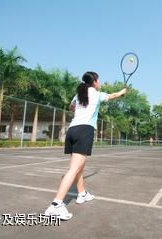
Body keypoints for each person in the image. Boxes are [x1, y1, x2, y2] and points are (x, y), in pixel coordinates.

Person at [44, 71, 127, 220]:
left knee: (79, 168)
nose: (99, 83)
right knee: (73, 169)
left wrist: (81, 109)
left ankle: (81, 194)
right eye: (98, 80)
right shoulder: (97, 94)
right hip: (84, 130)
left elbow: (71, 107)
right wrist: (122, 92)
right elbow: (113, 96)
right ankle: (55, 205)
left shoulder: (78, 95)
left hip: (73, 130)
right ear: (94, 81)